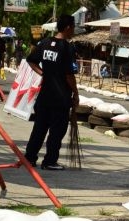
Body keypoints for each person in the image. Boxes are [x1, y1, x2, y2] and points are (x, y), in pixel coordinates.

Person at [23, 14, 79, 171]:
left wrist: (42, 73)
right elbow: (69, 75)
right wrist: (76, 93)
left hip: (44, 96)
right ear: (68, 27)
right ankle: (49, 161)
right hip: (60, 98)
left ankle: (30, 158)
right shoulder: (68, 48)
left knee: (39, 128)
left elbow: (31, 60)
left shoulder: (44, 43)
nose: (73, 30)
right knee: (57, 131)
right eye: (73, 27)